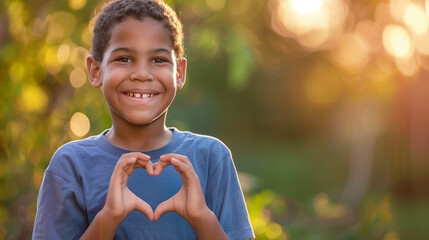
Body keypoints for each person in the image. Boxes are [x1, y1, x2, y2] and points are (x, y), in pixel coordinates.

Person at [32, 0, 255, 239]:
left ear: (179, 74)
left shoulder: (211, 157)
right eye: (124, 58)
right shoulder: (71, 165)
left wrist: (202, 217)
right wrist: (108, 218)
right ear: (96, 71)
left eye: (158, 60)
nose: (141, 74)